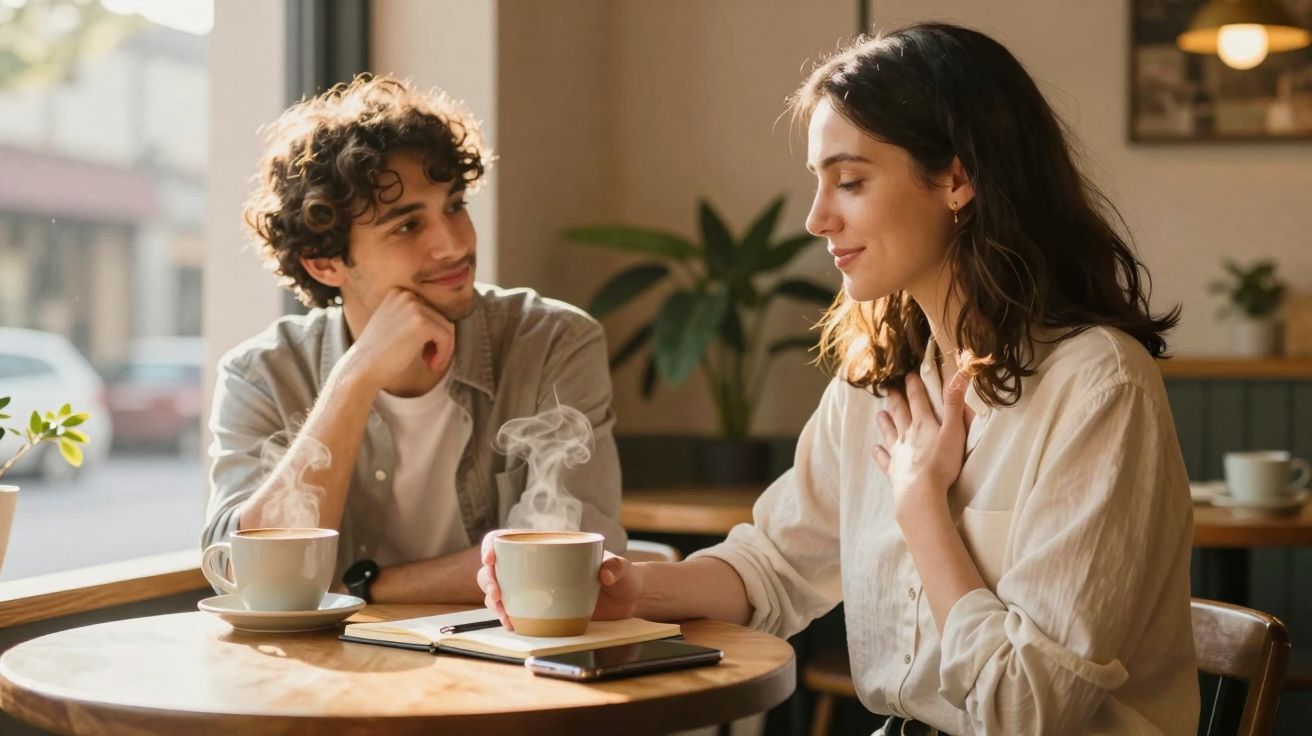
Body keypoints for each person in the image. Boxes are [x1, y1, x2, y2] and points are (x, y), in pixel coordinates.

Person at [479, 23, 1198, 735]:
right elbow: (774, 565)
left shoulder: (1099, 388)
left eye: (850, 181)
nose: (818, 219)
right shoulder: (878, 383)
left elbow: (1026, 711)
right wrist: (627, 589)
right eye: (819, 183)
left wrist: (921, 507)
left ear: (957, 178)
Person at [203, 75, 625, 605]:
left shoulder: (554, 343)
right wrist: (354, 379)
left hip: (506, 674)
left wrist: (361, 586)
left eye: (453, 206)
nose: (454, 245)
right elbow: (248, 577)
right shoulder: (260, 374)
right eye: (407, 226)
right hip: (323, 676)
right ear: (325, 262)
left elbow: (562, 564)